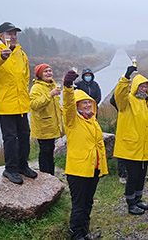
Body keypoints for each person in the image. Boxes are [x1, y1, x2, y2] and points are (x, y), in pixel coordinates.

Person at [0, 22, 36, 184]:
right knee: (10, 138)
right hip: (5, 104)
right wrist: (0, 58)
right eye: (10, 34)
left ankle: (23, 165)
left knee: (24, 135)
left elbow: (25, 77)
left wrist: (24, 93)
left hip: (21, 103)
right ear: (1, 36)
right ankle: (10, 169)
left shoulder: (20, 53)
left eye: (15, 34)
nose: (14, 36)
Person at [62, 70, 108, 240]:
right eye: (83, 103)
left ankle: (85, 233)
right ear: (77, 105)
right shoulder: (72, 121)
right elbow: (67, 105)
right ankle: (76, 235)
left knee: (88, 203)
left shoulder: (92, 119)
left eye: (89, 103)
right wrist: (67, 87)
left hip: (92, 168)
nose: (88, 106)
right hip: (78, 170)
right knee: (79, 205)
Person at [113, 65, 148, 215]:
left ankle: (138, 199)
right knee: (133, 176)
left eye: (146, 87)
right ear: (135, 87)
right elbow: (119, 95)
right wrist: (126, 77)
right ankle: (131, 204)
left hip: (144, 147)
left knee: (141, 176)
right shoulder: (126, 101)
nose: (143, 89)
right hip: (130, 147)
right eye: (141, 86)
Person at [29, 64, 63, 175]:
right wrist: (50, 95)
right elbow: (34, 104)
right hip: (42, 126)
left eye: (50, 70)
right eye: (45, 71)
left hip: (52, 125)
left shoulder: (52, 85)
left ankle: (51, 176)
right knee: (45, 151)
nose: (49, 73)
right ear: (40, 74)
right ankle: (45, 176)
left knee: (50, 151)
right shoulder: (36, 87)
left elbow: (55, 105)